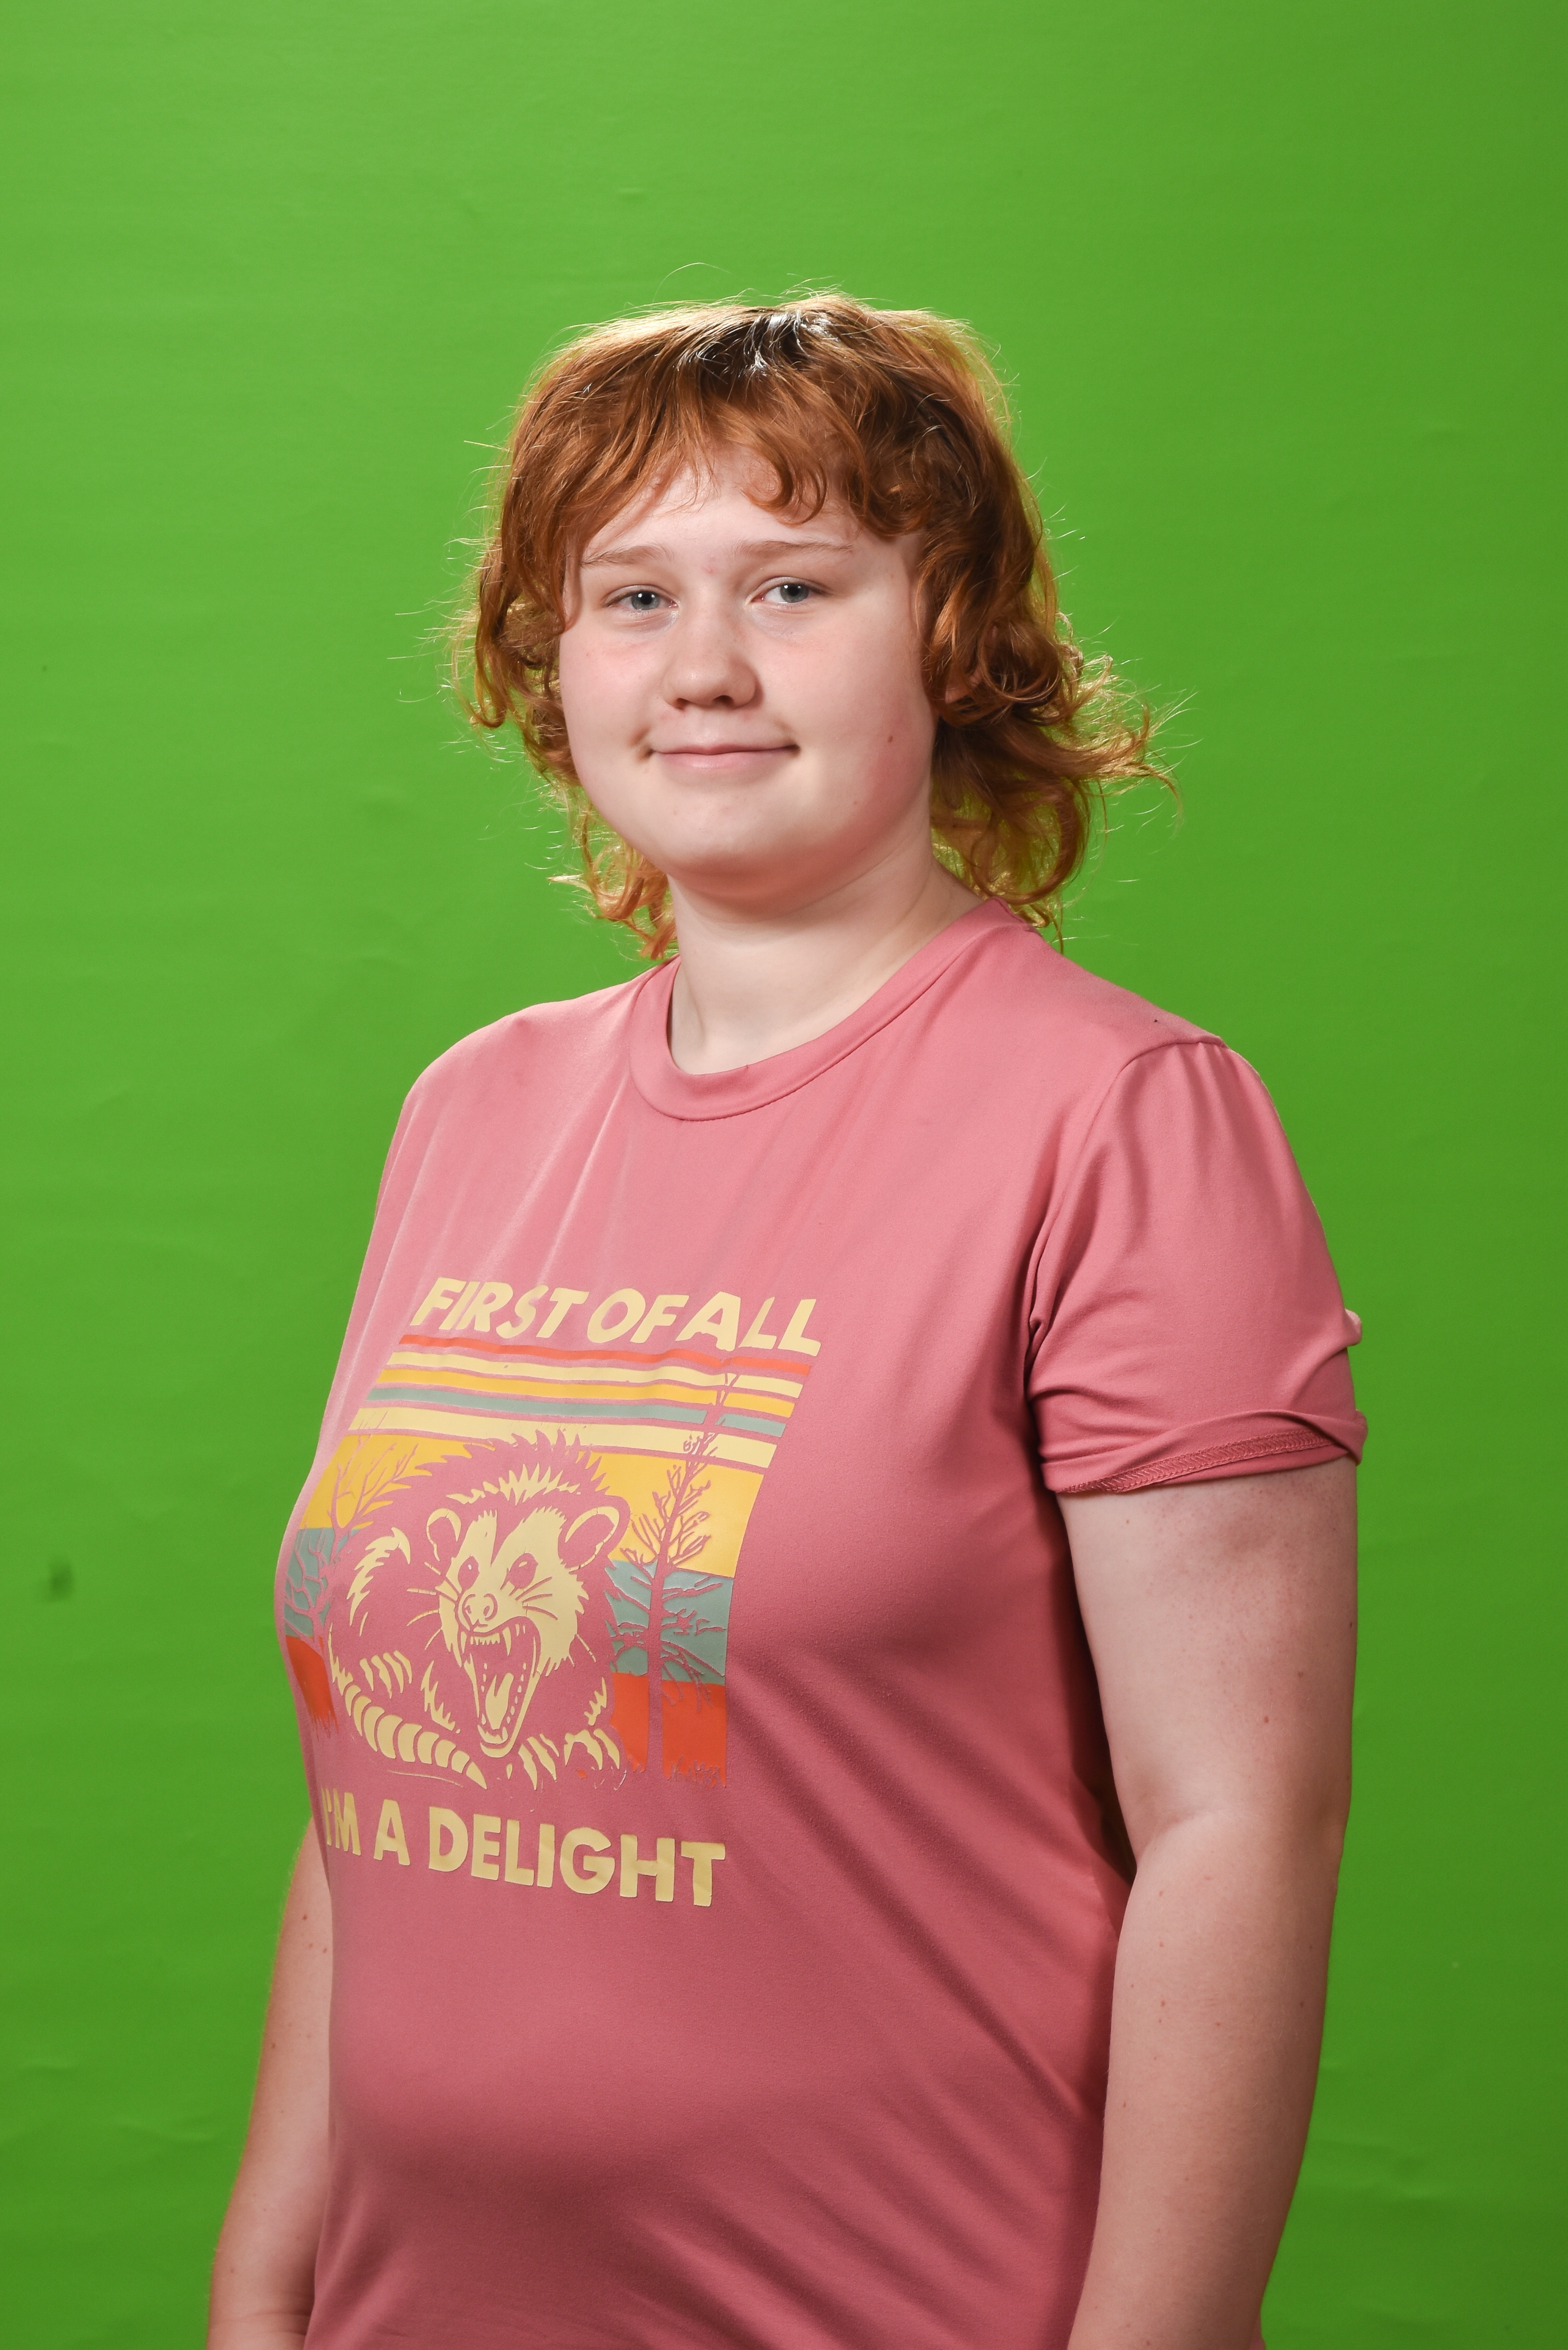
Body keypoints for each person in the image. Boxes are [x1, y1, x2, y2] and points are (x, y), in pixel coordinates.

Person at [209, 297, 1363, 2350]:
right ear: (555, 663)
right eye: (634, 595)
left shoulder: (1122, 1121)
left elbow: (1238, 1833)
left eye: (795, 586)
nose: (706, 666)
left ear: (952, 638)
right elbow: (373, 1800)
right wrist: (264, 2286)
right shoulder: (472, 1111)